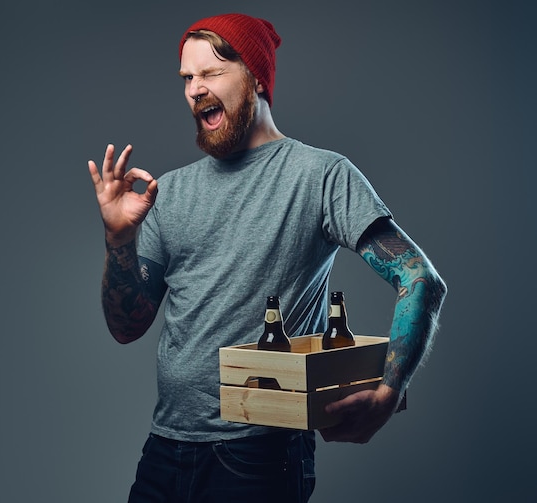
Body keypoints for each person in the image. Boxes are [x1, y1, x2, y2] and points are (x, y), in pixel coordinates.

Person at [88, 12, 447, 503]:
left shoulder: (321, 176)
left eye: (211, 73)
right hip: (165, 451)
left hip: (259, 458)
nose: (195, 89)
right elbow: (125, 326)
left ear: (256, 76)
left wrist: (388, 392)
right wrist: (118, 241)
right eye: (187, 78)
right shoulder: (164, 194)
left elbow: (420, 279)